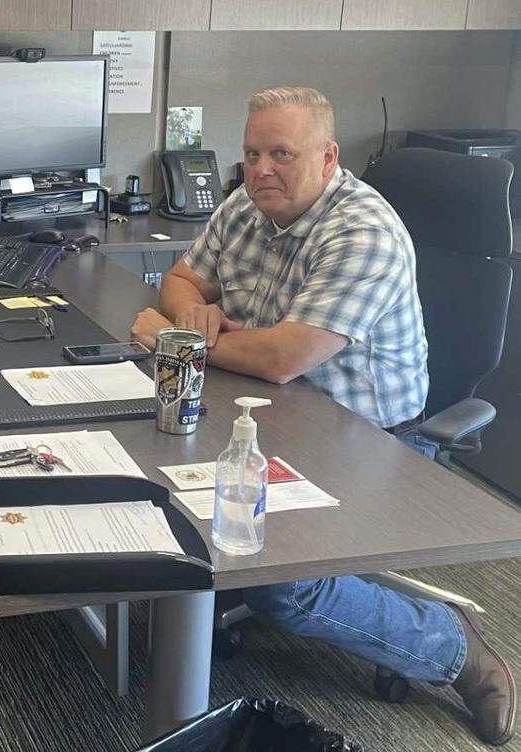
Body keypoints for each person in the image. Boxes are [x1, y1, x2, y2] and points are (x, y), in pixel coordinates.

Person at [130, 86, 515, 746]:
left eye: (282, 153)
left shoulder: (362, 233)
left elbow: (284, 357)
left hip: (369, 442)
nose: (261, 170)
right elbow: (182, 279)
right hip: (275, 414)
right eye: (252, 154)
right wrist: (193, 311)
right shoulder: (250, 203)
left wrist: (182, 339)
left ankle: (457, 649)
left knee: (285, 589)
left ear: (330, 156)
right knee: (148, 453)